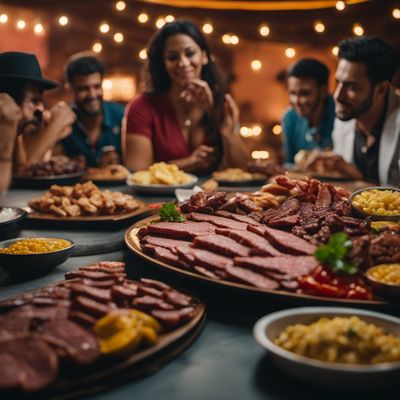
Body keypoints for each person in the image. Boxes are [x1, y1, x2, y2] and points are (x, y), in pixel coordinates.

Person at [124, 19, 249, 174]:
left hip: (214, 197)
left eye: (190, 53)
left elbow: (244, 170)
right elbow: (137, 172)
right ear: (162, 63)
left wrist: (228, 133)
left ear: (204, 56)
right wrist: (187, 163)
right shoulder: (142, 106)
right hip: (160, 198)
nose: (182, 63)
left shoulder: (221, 103)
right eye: (172, 57)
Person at [314, 36, 399, 185]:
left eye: (351, 87)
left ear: (381, 89)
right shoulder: (345, 118)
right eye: (338, 82)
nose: (337, 96)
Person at [0, 51, 76, 190]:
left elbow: (21, 170)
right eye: (34, 101)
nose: (41, 109)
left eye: (41, 101)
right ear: (8, 100)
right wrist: (55, 127)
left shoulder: (14, 132)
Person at [58, 52, 125, 166]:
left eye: (97, 86)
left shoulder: (122, 116)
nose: (92, 95)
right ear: (69, 89)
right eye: (84, 89)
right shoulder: (61, 122)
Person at [282, 58, 335, 164]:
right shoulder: (289, 118)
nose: (296, 101)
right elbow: (290, 164)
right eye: (292, 93)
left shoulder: (341, 114)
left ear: (323, 91)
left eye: (304, 93)